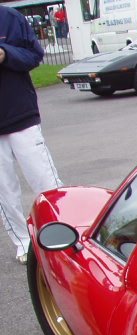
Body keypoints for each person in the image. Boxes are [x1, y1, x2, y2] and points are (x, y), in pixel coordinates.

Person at [0, 5, 62, 264]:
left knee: (43, 178)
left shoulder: (10, 18)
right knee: (5, 189)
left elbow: (34, 56)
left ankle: (61, 229)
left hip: (21, 115)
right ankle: (23, 242)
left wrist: (6, 54)